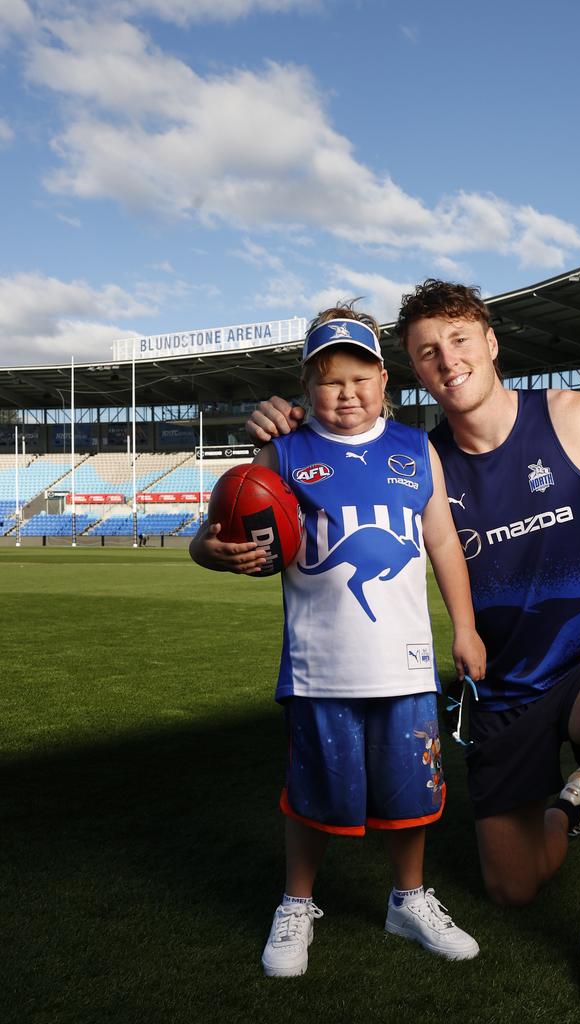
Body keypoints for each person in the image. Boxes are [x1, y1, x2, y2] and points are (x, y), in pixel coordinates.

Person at [244, 281, 580, 1024]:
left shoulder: (574, 417)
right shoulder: (417, 457)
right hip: (500, 690)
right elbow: (326, 459)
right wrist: (275, 426)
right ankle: (574, 804)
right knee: (513, 886)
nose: (447, 360)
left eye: (459, 339)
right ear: (409, 373)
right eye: (427, 351)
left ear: (491, 342)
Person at [190, 305, 486, 979]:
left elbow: (442, 542)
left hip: (406, 664)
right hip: (320, 666)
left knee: (413, 794)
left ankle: (408, 899)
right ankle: (296, 903)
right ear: (303, 386)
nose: (345, 393)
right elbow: (222, 531)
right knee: (312, 795)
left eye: (359, 377)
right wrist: (208, 550)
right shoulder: (285, 451)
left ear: (385, 379)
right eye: (328, 381)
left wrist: (464, 629)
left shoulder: (416, 450)